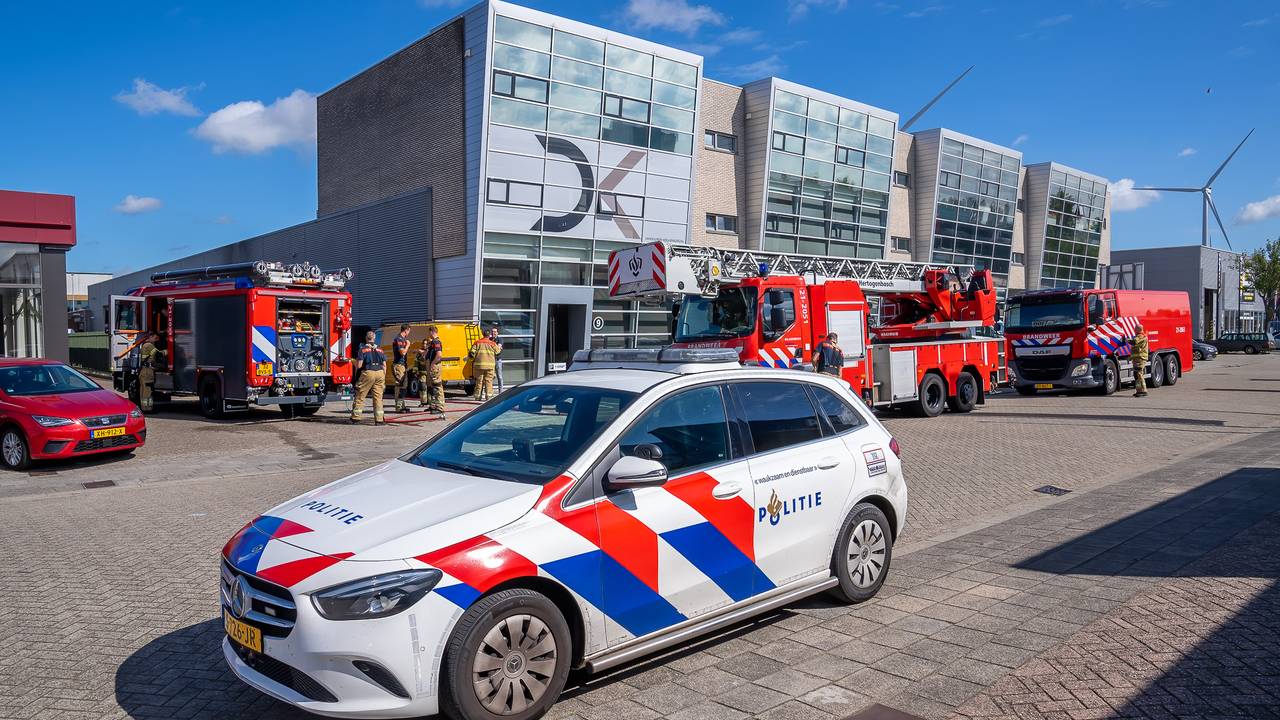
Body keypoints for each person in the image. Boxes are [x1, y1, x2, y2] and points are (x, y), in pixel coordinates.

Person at [351, 331, 387, 424]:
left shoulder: (362, 349)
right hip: (380, 373)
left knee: (360, 395)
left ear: (366, 338)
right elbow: (384, 365)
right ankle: (379, 420)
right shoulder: (380, 350)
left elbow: (359, 365)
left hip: (368, 372)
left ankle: (356, 417)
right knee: (378, 397)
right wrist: (383, 377)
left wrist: (352, 361)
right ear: (374, 338)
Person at [418, 327, 446, 416]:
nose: (428, 334)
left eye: (429, 332)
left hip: (435, 367)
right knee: (432, 387)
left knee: (437, 386)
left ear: (432, 332)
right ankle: (433, 405)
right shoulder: (432, 342)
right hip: (431, 367)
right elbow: (428, 353)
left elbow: (438, 355)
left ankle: (440, 407)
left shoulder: (436, 342)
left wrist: (432, 364)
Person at [469, 331, 500, 401]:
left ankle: (477, 396)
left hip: (479, 366)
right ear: (489, 335)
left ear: (483, 334)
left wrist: (471, 359)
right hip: (490, 366)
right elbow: (498, 353)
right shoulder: (493, 343)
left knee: (479, 381)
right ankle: (488, 397)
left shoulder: (477, 343)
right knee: (488, 381)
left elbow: (471, 353)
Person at [137, 332, 164, 413]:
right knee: (148, 390)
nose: (155, 341)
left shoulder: (144, 345)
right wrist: (168, 351)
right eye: (155, 338)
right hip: (148, 371)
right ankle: (148, 408)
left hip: (143, 371)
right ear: (150, 337)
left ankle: (144, 407)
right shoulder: (149, 345)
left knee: (143, 390)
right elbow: (159, 354)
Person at [391, 324, 412, 413]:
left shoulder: (403, 339)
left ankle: (402, 405)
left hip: (403, 365)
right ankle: (399, 407)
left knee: (404, 385)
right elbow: (402, 352)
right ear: (406, 330)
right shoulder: (399, 339)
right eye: (409, 331)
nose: (409, 333)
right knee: (400, 385)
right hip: (399, 365)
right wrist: (408, 345)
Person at [1131, 323, 1149, 397]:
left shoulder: (1142, 337)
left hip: (1140, 358)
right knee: (1136, 374)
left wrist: (1126, 340)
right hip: (1137, 358)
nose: (1134, 329)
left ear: (1138, 329)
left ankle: (1144, 390)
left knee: (1139, 373)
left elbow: (1134, 341)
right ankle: (1139, 391)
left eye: (1135, 328)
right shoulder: (1139, 336)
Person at [488, 325, 505, 393]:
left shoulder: (500, 339)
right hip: (490, 360)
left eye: (495, 332)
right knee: (490, 376)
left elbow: (498, 348)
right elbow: (497, 349)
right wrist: (497, 348)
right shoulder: (489, 339)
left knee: (499, 376)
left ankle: (501, 392)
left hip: (498, 360)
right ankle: (490, 391)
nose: (493, 333)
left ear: (497, 333)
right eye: (492, 332)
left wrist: (495, 348)